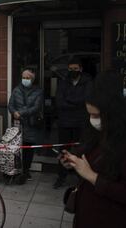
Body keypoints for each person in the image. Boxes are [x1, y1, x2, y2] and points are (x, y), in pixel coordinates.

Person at [60, 71, 126, 228]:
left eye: (97, 116)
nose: (93, 121)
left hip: (111, 218)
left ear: (111, 113)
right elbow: (89, 153)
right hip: (86, 213)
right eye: (90, 115)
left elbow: (125, 191)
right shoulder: (96, 132)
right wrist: (73, 160)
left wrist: (92, 176)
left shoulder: (124, 141)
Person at [53, 57, 92, 189]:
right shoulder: (63, 82)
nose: (72, 71)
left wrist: (69, 100)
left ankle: (80, 178)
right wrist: (76, 102)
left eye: (75, 69)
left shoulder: (88, 82)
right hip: (64, 122)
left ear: (81, 69)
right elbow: (59, 101)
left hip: (81, 123)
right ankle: (61, 176)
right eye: (70, 69)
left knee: (80, 150)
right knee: (63, 150)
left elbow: (86, 99)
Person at [8, 69, 43, 183]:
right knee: (18, 147)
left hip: (31, 123)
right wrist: (14, 112)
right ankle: (17, 169)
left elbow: (36, 107)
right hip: (18, 124)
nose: (25, 80)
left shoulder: (38, 91)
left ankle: (26, 170)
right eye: (24, 77)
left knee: (28, 149)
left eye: (28, 78)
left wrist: (21, 113)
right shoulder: (16, 90)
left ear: (32, 79)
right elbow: (11, 105)